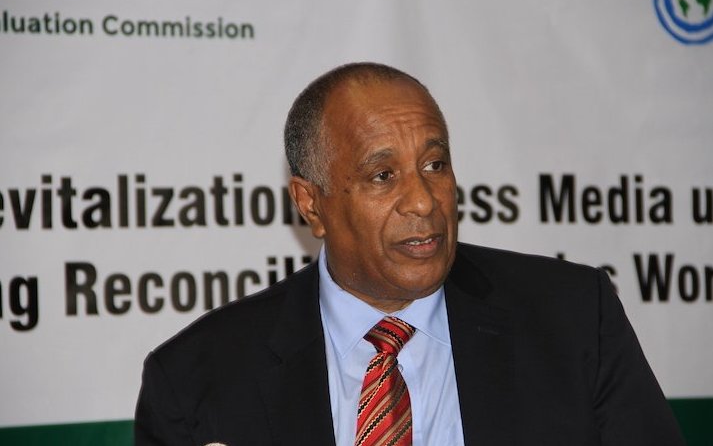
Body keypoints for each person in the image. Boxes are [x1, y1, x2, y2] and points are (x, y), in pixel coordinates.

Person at [134, 62, 685, 445]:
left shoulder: (572, 318)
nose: (423, 200)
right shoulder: (196, 378)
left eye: (435, 165)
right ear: (311, 203)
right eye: (382, 175)